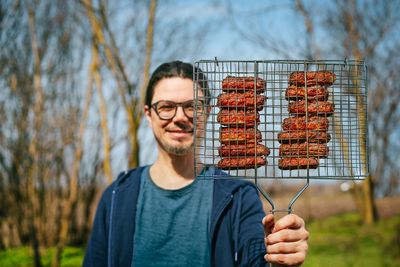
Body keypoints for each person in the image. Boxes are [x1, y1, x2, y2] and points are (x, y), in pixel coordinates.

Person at [83, 61, 309, 267]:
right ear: (148, 115)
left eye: (193, 106)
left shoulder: (239, 197)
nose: (180, 117)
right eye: (166, 107)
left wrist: (280, 261)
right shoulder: (117, 196)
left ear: (208, 112)